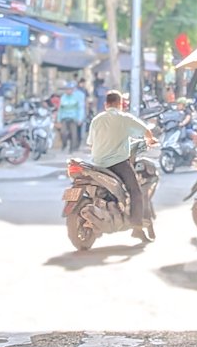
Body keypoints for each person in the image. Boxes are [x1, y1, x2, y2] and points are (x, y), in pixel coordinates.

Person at [88, 89, 158, 243]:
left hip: (97, 163)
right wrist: (151, 140)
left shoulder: (97, 120)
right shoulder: (125, 118)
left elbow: (90, 143)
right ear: (120, 104)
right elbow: (146, 131)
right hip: (117, 163)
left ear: (106, 104)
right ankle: (137, 227)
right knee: (136, 191)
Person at [57, 81, 86, 154]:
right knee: (63, 132)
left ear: (73, 90)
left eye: (70, 89)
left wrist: (80, 119)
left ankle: (71, 149)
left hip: (74, 117)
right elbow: (60, 109)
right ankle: (64, 144)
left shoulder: (76, 97)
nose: (68, 91)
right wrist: (58, 119)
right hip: (64, 117)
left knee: (74, 134)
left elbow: (80, 108)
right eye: (67, 89)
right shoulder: (63, 97)